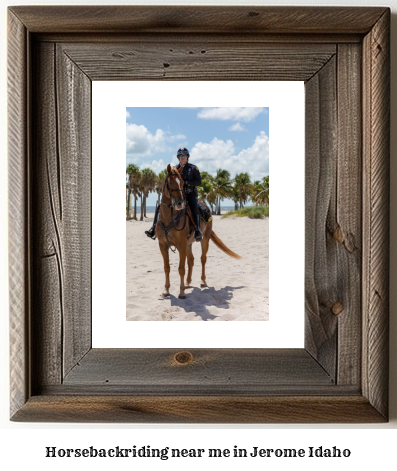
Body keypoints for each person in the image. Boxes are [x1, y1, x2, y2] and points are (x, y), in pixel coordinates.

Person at [145, 147, 203, 241]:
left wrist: (187, 182)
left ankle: (197, 230)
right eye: (181, 155)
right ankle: (153, 229)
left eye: (184, 155)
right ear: (178, 157)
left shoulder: (193, 168)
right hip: (176, 195)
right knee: (160, 207)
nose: (183, 157)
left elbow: (198, 182)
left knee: (194, 207)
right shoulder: (174, 169)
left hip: (189, 194)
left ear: (187, 156)